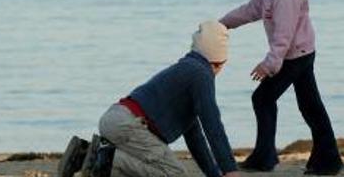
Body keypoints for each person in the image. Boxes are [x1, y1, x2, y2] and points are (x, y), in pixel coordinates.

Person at [219, 0, 343, 175]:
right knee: (310, 106)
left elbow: (283, 37)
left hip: (294, 56)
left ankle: (265, 158)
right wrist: (223, 24)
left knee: (263, 99)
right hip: (302, 53)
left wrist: (269, 64)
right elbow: (250, 10)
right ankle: (327, 160)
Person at [58, 21, 241, 177]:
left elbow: (195, 138)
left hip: (117, 118)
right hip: (130, 126)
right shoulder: (201, 75)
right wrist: (230, 170)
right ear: (219, 61)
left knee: (144, 171)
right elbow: (212, 125)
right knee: (174, 174)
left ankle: (87, 156)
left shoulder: (186, 71)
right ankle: (96, 156)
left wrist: (216, 174)